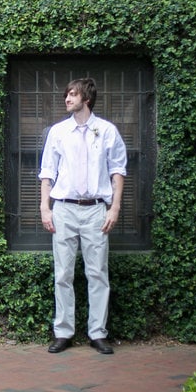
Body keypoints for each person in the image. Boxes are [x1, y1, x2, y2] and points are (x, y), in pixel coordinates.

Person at [39, 78, 127, 355]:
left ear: (86, 99)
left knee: (97, 273)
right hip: (63, 208)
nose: (67, 99)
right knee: (63, 273)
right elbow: (47, 172)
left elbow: (118, 170)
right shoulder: (58, 132)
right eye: (67, 95)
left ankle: (97, 333)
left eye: (72, 95)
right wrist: (45, 207)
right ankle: (63, 332)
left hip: (95, 210)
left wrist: (114, 208)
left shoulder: (107, 131)